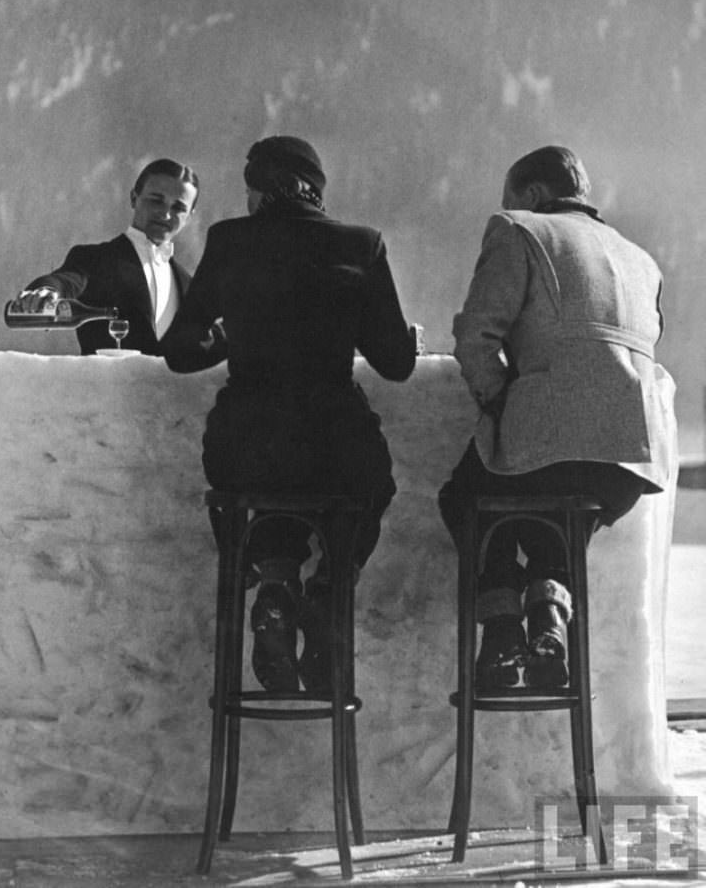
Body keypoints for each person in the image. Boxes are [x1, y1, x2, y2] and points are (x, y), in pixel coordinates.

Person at [163, 135, 416, 692]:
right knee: (369, 487)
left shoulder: (229, 240)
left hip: (245, 443)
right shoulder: (362, 245)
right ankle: (328, 592)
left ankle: (276, 586)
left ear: (259, 192)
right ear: (316, 192)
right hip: (338, 444)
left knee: (265, 483)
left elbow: (180, 352)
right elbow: (396, 364)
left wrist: (237, 335)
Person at [439, 145, 675, 689]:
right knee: (550, 524)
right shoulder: (641, 259)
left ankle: (501, 631)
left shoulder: (518, 229)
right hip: (630, 459)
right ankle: (549, 620)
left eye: (511, 196)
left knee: (468, 500)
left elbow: (476, 336)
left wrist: (499, 398)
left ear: (533, 194)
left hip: (546, 437)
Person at [12, 158, 203, 355]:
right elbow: (64, 280)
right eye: (156, 200)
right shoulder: (96, 259)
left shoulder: (189, 284)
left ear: (189, 216)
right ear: (133, 198)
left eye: (178, 208)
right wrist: (46, 292)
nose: (165, 214)